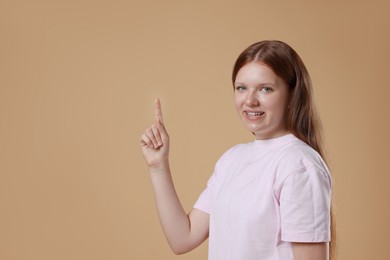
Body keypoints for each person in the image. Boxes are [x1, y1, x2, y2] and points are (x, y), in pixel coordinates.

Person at [140, 40, 334, 260]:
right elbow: (182, 238)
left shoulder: (299, 165)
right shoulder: (232, 159)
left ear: (292, 94)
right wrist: (158, 165)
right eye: (242, 88)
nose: (250, 100)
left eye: (265, 89)